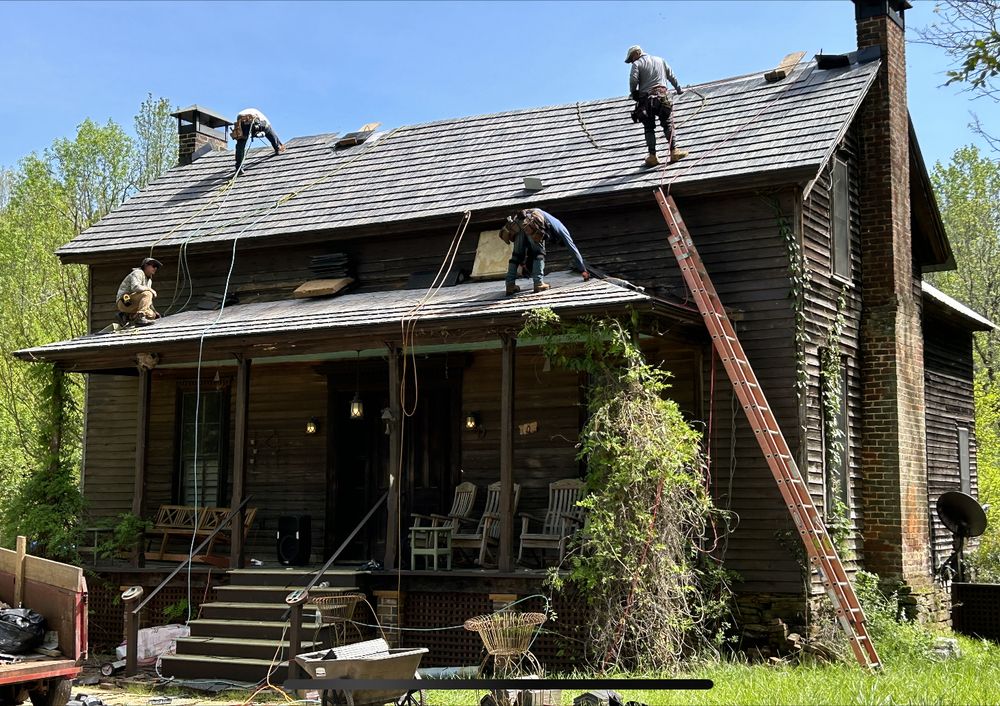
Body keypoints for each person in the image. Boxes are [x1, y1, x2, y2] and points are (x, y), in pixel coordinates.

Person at [498, 208, 590, 295]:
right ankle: (538, 284)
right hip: (532, 221)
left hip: (517, 221)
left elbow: (526, 247)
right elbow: (572, 248)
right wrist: (583, 270)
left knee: (516, 255)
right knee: (538, 253)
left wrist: (523, 262)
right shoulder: (562, 230)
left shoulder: (551, 221)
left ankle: (510, 285)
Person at [625, 45, 688, 168]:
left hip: (646, 101)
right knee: (667, 124)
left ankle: (652, 156)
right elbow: (671, 76)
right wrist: (678, 89)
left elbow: (633, 80)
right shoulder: (660, 60)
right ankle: (674, 151)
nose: (632, 61)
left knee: (649, 128)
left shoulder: (637, 64)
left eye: (632, 58)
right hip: (662, 97)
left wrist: (634, 93)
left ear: (637, 53)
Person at [116, 257, 161, 327]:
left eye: (157, 267)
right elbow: (135, 287)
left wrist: (155, 312)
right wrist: (150, 289)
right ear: (146, 266)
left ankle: (127, 316)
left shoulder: (149, 280)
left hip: (134, 305)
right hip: (125, 301)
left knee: (152, 315)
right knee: (148, 293)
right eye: (154, 266)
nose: (155, 268)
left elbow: (147, 300)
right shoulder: (138, 272)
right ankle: (139, 317)